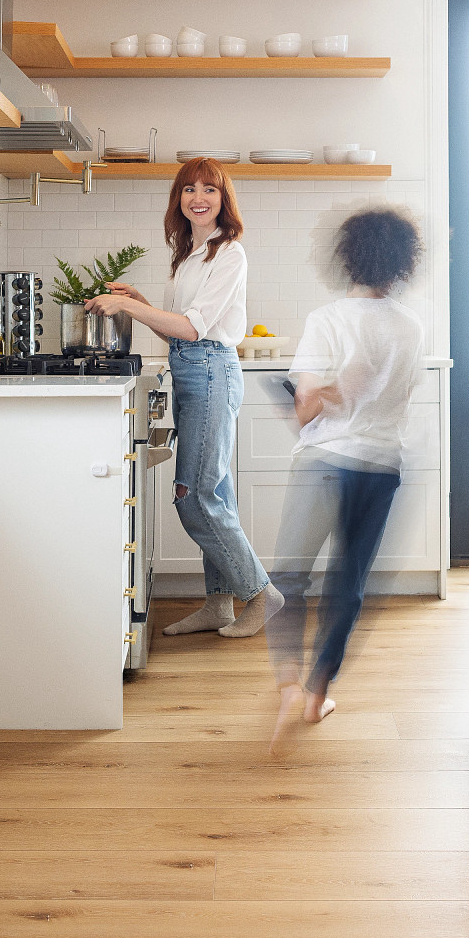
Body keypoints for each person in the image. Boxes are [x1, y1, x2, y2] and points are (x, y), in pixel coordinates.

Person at [87, 158, 282, 638]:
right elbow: (183, 324)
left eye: (209, 190)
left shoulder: (229, 254)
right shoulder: (192, 252)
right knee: (213, 492)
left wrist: (130, 306)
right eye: (189, 189)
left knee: (194, 495)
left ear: (223, 199)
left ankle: (259, 594)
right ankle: (219, 604)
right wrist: (145, 302)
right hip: (195, 371)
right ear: (179, 199)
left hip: (212, 371)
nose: (199, 198)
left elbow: (195, 330)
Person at [266, 206, 426, 755]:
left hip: (326, 462)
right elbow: (393, 400)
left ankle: (288, 682)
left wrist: (322, 394)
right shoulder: (410, 327)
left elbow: (306, 411)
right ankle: (318, 694)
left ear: (347, 257)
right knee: (348, 584)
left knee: (288, 577)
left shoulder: (327, 319)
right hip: (382, 466)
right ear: (403, 263)